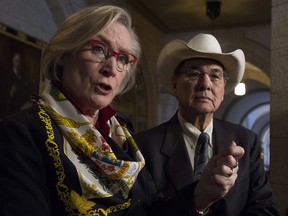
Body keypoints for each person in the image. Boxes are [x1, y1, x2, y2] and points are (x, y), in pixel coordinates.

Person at [0, 6, 237, 216]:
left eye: (123, 58)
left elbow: (150, 207)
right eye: (99, 49)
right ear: (64, 55)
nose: (111, 68)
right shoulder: (21, 133)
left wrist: (199, 196)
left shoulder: (120, 128)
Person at [134, 33, 280, 215]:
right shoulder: (143, 147)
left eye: (215, 76)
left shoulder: (246, 141)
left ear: (223, 87)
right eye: (194, 73)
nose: (205, 84)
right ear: (174, 84)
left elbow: (264, 207)